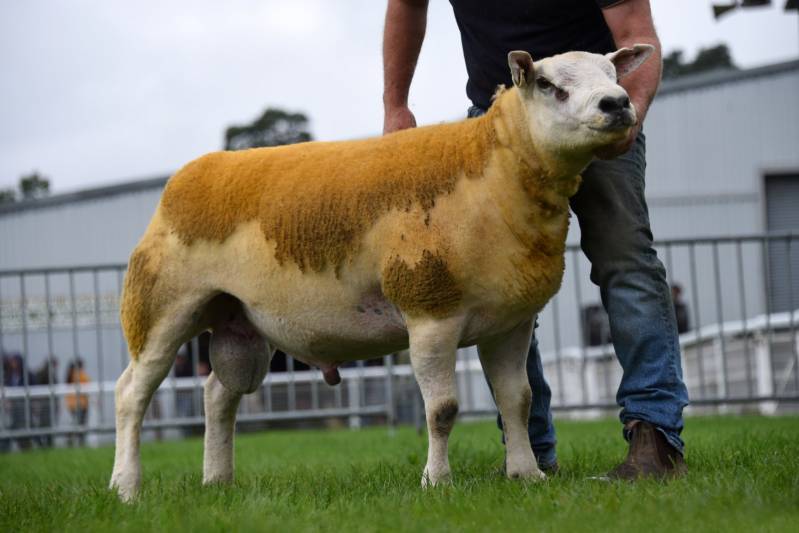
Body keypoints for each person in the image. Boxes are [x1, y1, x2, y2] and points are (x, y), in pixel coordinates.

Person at [382, 0, 689, 478]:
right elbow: (407, 6)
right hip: (503, 113)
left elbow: (634, 27)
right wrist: (395, 105)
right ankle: (527, 451)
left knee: (624, 258)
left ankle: (655, 436)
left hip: (593, 108)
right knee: (499, 284)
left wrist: (633, 112)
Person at [65, 358, 90, 446]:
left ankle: (71, 438)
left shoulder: (70, 375)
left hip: (71, 405)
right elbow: (88, 387)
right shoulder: (81, 375)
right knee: (81, 424)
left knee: (76, 423)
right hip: (81, 404)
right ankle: (80, 441)